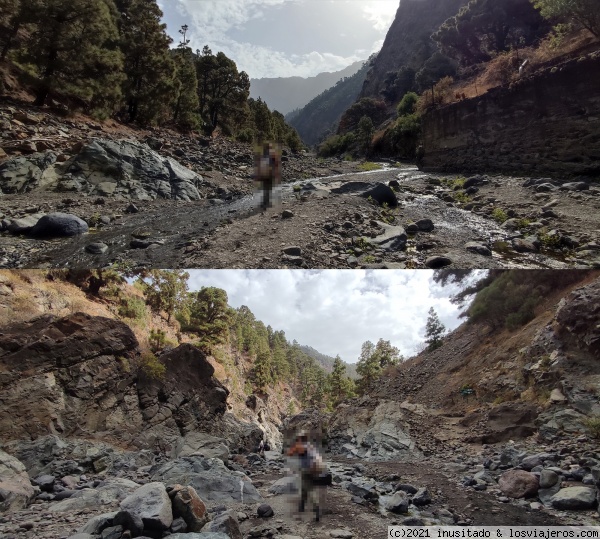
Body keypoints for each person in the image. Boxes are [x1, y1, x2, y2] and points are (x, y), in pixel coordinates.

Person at [286, 430, 325, 521]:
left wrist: (295, 445)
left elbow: (290, 453)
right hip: (315, 470)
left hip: (306, 470)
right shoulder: (310, 446)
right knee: (304, 487)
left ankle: (317, 508)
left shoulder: (300, 446)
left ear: (300, 438)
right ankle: (302, 506)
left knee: (310, 489)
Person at [254, 142, 281, 211]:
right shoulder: (273, 153)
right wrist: (277, 174)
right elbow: (276, 164)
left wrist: (258, 175)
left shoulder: (263, 154)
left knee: (265, 188)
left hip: (264, 174)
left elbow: (258, 164)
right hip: (270, 173)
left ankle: (264, 201)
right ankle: (267, 202)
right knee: (268, 188)